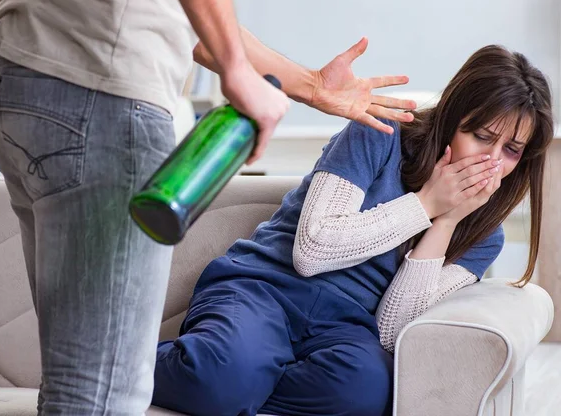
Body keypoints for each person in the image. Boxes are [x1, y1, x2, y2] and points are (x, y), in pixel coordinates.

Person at [0, 0, 416, 414]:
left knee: (80, 369)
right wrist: (236, 72)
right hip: (103, 96)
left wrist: (307, 85)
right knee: (105, 390)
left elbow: (185, 10)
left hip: (22, 78)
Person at [151, 44, 555, 416]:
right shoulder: (378, 132)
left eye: (511, 151)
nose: (491, 161)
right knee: (221, 377)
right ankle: (206, 372)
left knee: (367, 392)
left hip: (347, 326)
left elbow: (392, 334)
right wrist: (427, 203)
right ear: (451, 120)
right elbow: (311, 252)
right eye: (481, 136)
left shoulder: (485, 237)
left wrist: (445, 222)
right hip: (266, 288)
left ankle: (243, 378)